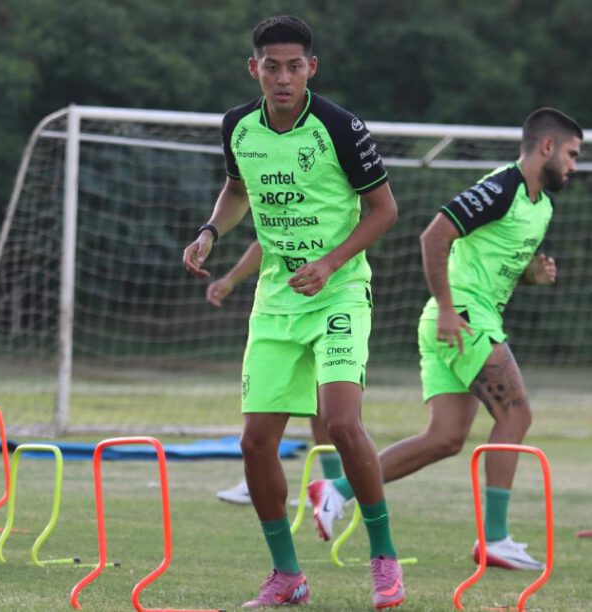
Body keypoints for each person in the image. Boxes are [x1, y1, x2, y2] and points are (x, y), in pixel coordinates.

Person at [182, 15, 404, 608]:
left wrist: (330, 264)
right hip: (277, 299)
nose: (283, 78)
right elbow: (236, 190)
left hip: (338, 290)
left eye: (294, 66)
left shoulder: (339, 127)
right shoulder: (238, 126)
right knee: (255, 442)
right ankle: (288, 576)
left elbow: (384, 211)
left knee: (341, 421)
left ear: (312, 68)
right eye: (272, 67)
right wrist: (210, 233)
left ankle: (384, 559)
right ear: (254, 69)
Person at [309, 108, 582, 572]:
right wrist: (452, 310)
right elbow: (434, 235)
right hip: (462, 318)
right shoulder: (501, 187)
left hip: (459, 319)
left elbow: (492, 262)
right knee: (516, 415)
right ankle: (494, 539)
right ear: (547, 147)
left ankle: (336, 490)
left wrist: (532, 275)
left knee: (445, 438)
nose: (575, 166)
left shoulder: (543, 206)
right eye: (573, 154)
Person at [207, 242, 344, 506]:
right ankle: (257, 479)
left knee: (326, 400)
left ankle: (333, 486)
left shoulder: (329, 210)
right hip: (280, 310)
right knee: (266, 405)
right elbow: (267, 242)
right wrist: (230, 279)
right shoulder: (275, 212)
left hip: (330, 304)